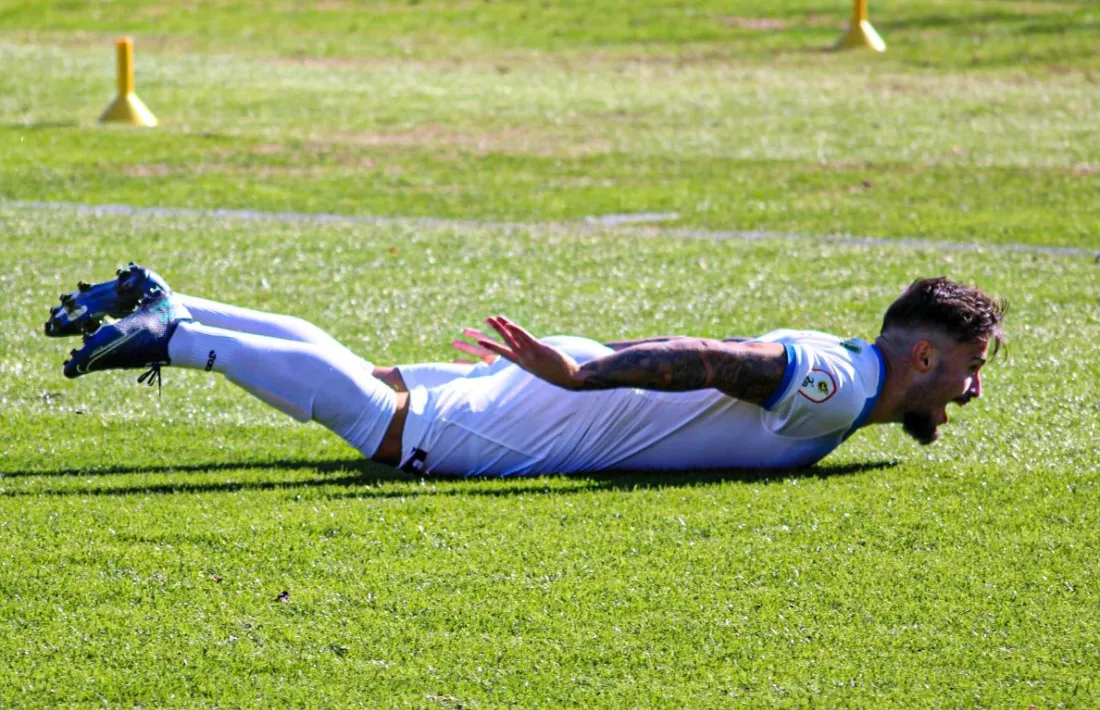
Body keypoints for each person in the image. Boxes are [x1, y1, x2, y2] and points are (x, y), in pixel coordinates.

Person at [47, 266, 1004, 477]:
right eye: (969, 367)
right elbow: (720, 361)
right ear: (924, 352)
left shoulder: (844, 377)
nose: (970, 389)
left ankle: (184, 303)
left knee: (376, 384)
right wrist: (575, 381)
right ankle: (177, 335)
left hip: (581, 384)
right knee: (389, 429)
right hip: (571, 406)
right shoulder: (839, 384)